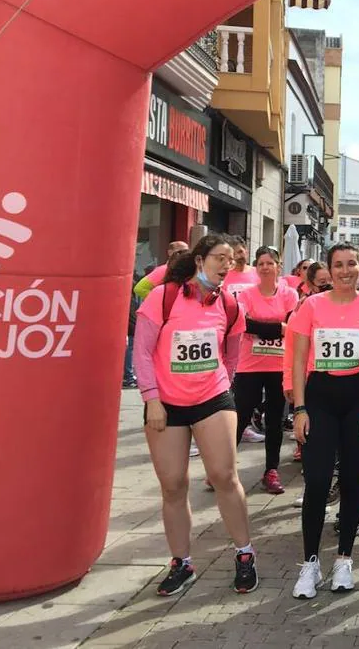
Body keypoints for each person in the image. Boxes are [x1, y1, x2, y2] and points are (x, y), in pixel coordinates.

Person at [133, 234, 257, 596]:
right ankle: (182, 563)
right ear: (199, 260)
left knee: (223, 475)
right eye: (219, 257)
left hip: (213, 399)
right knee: (172, 485)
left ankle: (245, 554)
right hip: (165, 405)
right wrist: (151, 398)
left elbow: (232, 354)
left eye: (231, 260)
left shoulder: (231, 305)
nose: (226, 265)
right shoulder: (164, 296)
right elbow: (141, 352)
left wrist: (224, 385)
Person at [290, 243, 359, 598]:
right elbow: (299, 360)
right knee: (316, 480)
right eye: (338, 265)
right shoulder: (311, 305)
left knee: (350, 480)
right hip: (320, 395)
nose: (346, 271)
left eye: (352, 265)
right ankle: (310, 563)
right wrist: (299, 409)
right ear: (328, 271)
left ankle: (344, 559)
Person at [234, 247, 298, 495]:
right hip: (249, 365)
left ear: (278, 266)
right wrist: (276, 328)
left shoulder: (289, 294)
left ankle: (271, 471)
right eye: (260, 263)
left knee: (275, 421)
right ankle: (222, 468)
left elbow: (292, 327)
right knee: (240, 417)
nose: (265, 267)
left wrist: (265, 328)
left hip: (279, 366)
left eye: (270, 263)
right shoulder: (247, 294)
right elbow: (243, 324)